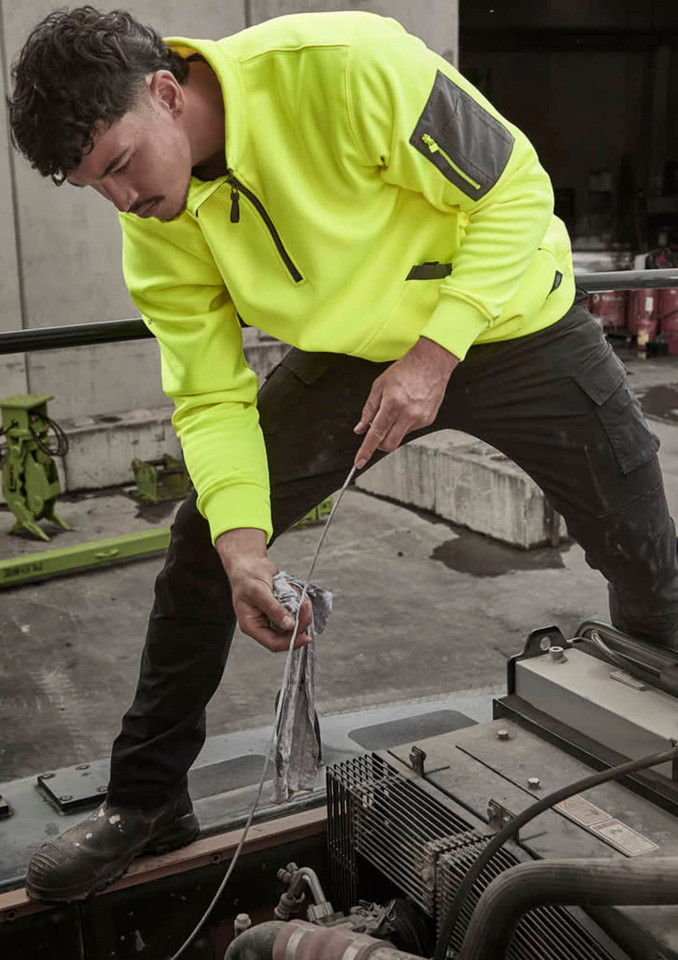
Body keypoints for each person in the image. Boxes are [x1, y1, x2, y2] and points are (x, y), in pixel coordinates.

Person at [9, 6, 678, 902]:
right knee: (201, 550)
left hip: (517, 323)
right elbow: (210, 396)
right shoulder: (157, 223)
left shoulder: (342, 67)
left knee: (646, 559)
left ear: (166, 92)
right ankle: (146, 801)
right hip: (355, 353)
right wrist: (244, 547)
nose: (123, 201)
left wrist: (435, 354)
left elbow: (515, 189)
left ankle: (652, 752)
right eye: (95, 185)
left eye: (121, 165)